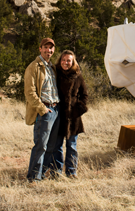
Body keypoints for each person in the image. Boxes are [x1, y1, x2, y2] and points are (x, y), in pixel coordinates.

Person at [25, 38, 60, 182]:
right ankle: (33, 178)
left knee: (51, 146)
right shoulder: (33, 67)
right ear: (40, 49)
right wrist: (42, 109)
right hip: (44, 111)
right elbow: (30, 92)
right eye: (46, 48)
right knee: (41, 146)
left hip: (55, 110)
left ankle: (42, 173)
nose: (48, 50)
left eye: (51, 48)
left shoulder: (52, 67)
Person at [49, 50, 88, 178]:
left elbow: (84, 95)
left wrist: (79, 108)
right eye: (64, 60)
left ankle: (71, 172)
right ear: (60, 61)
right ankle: (56, 172)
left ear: (73, 62)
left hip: (73, 116)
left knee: (72, 145)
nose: (66, 63)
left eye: (69, 60)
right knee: (57, 145)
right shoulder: (55, 73)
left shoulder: (78, 76)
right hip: (59, 115)